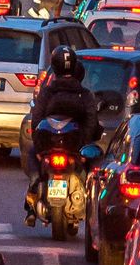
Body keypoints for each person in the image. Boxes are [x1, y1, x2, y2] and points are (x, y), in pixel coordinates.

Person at [24, 46, 102, 215]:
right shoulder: (84, 94)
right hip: (73, 150)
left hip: (54, 149)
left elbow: (36, 120)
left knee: (31, 154)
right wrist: (84, 148)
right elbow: (91, 122)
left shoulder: (47, 92)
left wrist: (39, 149)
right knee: (97, 161)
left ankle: (34, 186)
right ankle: (94, 199)